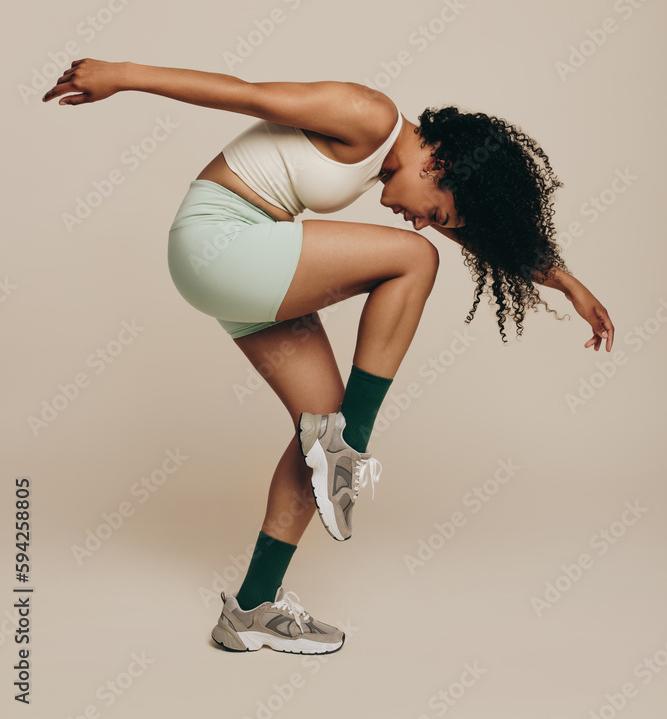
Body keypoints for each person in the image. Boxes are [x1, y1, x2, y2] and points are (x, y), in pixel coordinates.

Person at [42, 58, 615, 655]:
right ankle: (351, 445)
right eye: (435, 211)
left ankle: (252, 608)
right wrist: (121, 75)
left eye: (436, 220)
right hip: (223, 239)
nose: (421, 220)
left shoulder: (397, 162)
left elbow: (477, 236)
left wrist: (564, 281)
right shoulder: (367, 114)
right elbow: (244, 93)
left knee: (317, 421)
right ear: (440, 162)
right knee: (416, 260)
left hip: (245, 262)